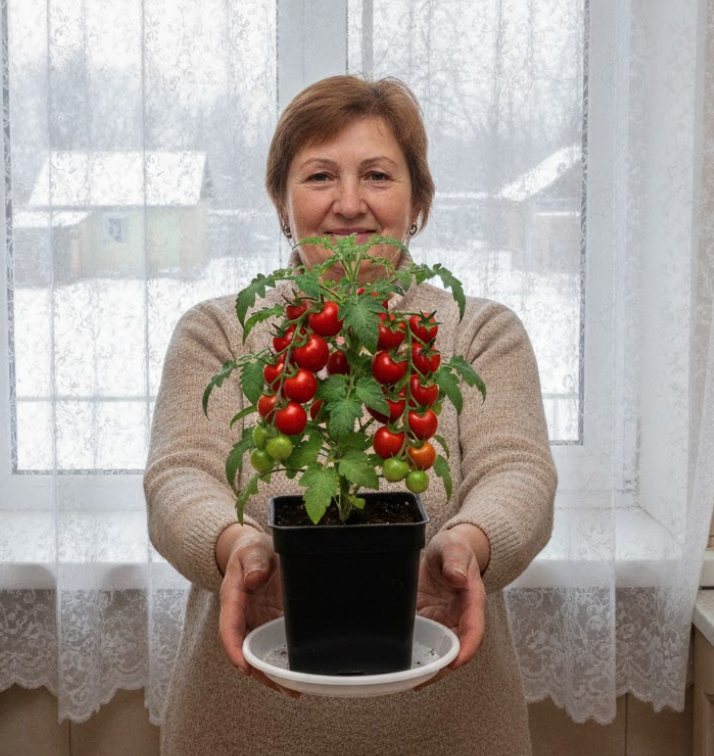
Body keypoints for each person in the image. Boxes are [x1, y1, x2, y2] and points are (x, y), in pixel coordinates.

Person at [144, 74, 557, 756]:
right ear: (281, 204)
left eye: (377, 175)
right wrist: (237, 547)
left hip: (450, 724)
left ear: (418, 202)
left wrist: (468, 544)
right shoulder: (217, 331)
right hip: (243, 723)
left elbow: (518, 472)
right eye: (318, 176)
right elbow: (178, 476)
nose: (349, 203)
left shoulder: (480, 332)